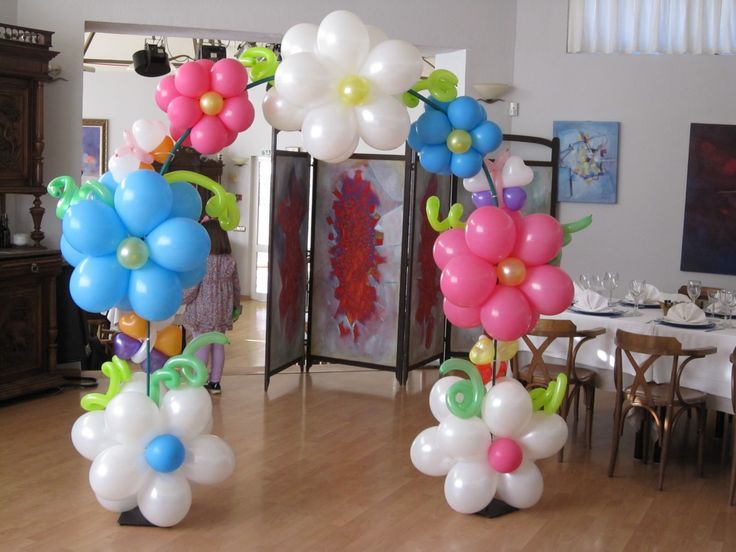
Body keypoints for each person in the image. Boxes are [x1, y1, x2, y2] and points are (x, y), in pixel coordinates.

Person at [182, 219, 241, 394]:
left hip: (202, 312)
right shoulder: (230, 260)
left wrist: (181, 298)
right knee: (217, 345)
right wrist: (235, 306)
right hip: (222, 311)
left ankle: (199, 381)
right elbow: (236, 287)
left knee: (201, 344)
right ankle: (215, 382)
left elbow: (193, 288)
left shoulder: (202, 261)